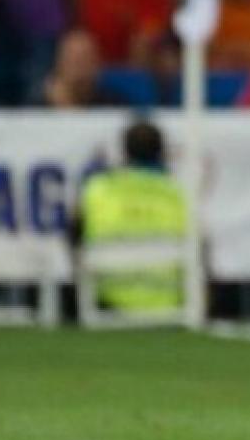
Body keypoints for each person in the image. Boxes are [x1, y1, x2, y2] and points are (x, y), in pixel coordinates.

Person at [70, 119, 189, 316]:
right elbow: (198, 247)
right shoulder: (176, 193)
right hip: (167, 299)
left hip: (108, 298)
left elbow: (74, 236)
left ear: (124, 152)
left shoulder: (97, 189)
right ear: (162, 152)